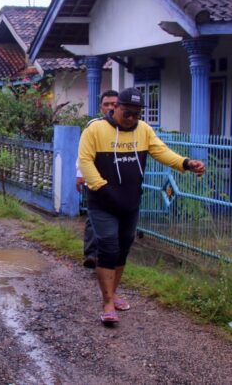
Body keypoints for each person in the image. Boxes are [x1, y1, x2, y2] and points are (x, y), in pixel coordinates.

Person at [78, 87, 205, 326]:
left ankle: (114, 293)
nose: (132, 119)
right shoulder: (95, 129)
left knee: (123, 248)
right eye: (128, 113)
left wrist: (186, 163)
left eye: (137, 115)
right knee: (107, 247)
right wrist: (103, 188)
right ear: (115, 108)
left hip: (130, 201)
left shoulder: (143, 130)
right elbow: (84, 161)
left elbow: (162, 152)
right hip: (103, 201)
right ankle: (106, 303)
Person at [77, 89, 119, 268]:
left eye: (114, 104)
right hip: (96, 178)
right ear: (101, 107)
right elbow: (84, 154)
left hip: (119, 180)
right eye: (106, 104)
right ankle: (91, 254)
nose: (110, 107)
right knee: (94, 217)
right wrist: (80, 175)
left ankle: (111, 256)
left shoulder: (128, 126)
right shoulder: (93, 126)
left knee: (118, 218)